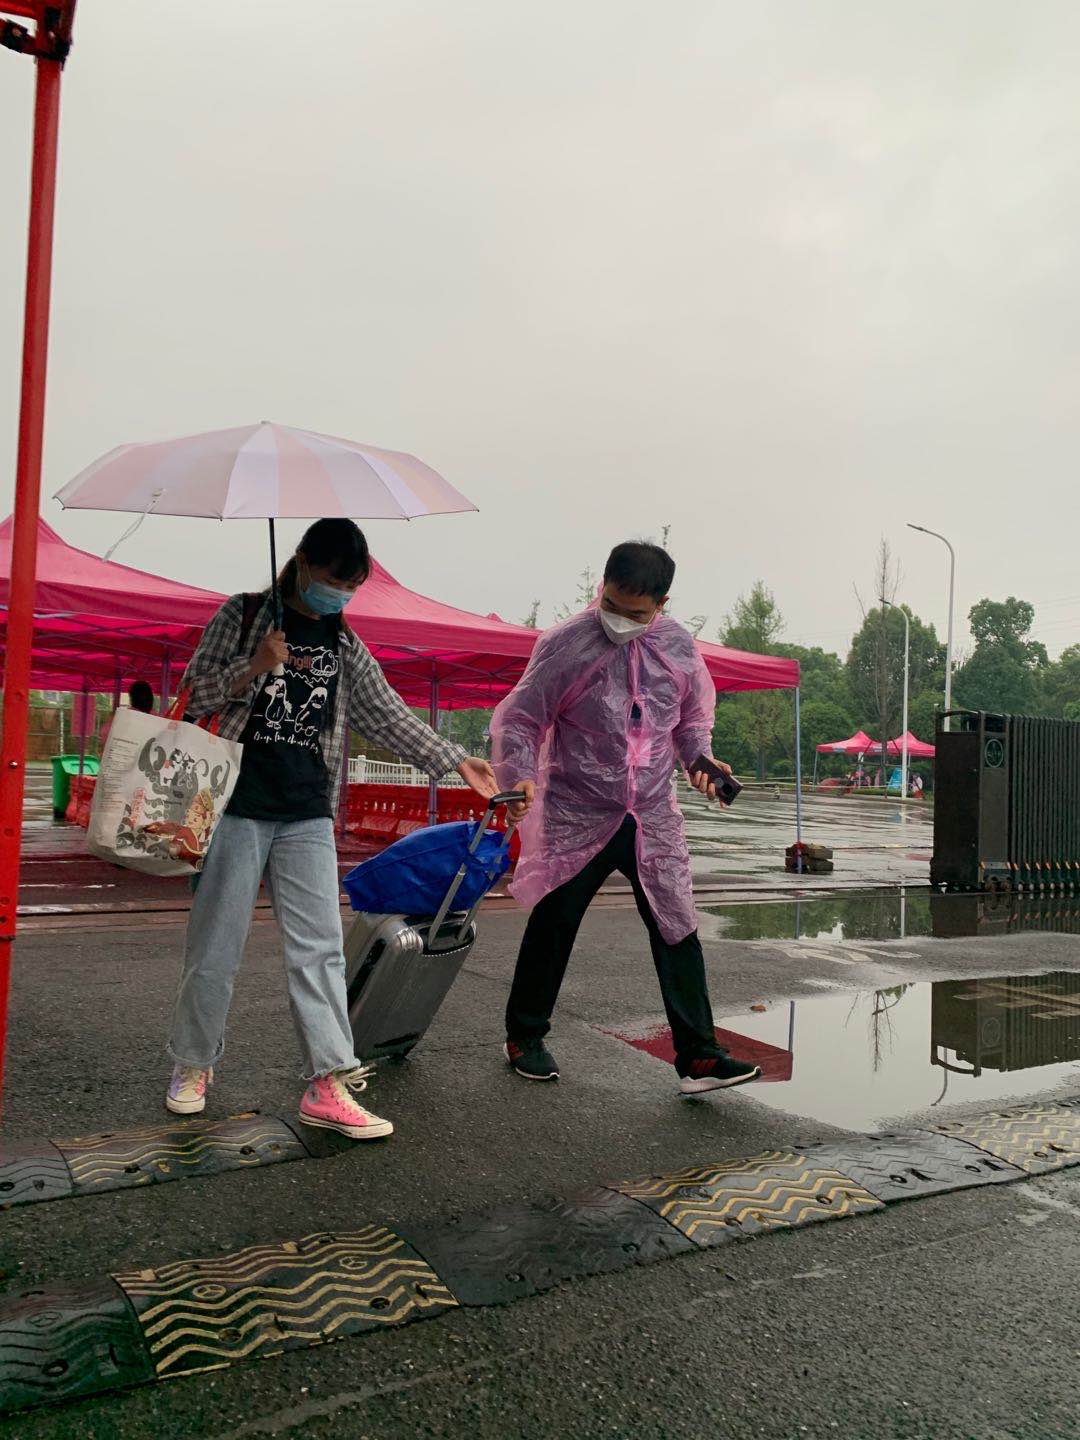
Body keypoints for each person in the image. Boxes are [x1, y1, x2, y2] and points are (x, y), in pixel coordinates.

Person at [165, 518, 498, 1139]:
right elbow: (193, 691)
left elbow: (388, 715)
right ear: (301, 563)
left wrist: (457, 762)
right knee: (216, 944)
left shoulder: (344, 644)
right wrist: (253, 666)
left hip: (307, 811)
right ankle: (193, 1062)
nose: (339, 593)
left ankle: (327, 1080)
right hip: (235, 804)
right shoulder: (243, 616)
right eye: (332, 579)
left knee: (319, 949)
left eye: (350, 586)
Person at [491, 540, 760, 1095]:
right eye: (611, 604)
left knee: (676, 922)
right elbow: (522, 718)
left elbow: (689, 721)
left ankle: (699, 1055)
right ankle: (524, 1036)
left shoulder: (677, 646)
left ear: (661, 604)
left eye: (634, 613)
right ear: (603, 588)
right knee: (555, 921)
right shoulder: (566, 643)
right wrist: (517, 773)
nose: (618, 620)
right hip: (578, 810)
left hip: (651, 814)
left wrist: (701, 760)